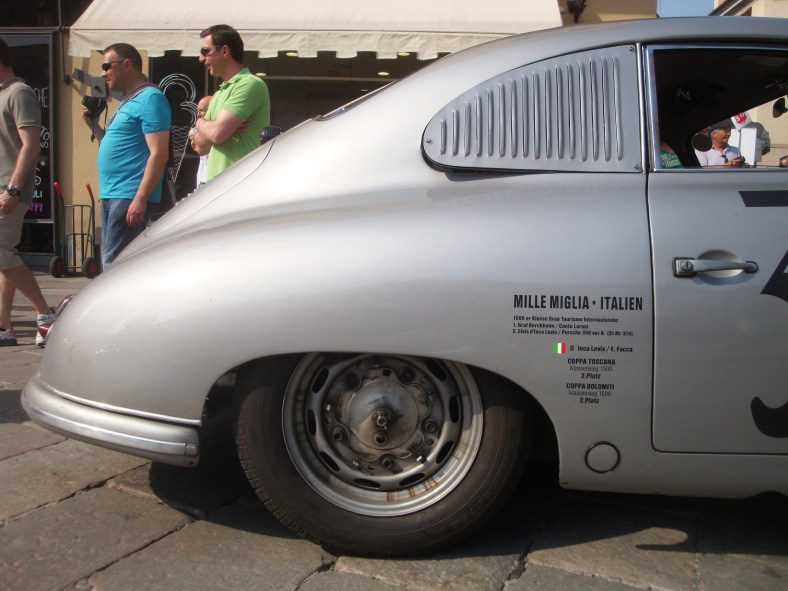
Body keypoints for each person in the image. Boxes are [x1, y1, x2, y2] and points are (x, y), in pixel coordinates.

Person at [81, 43, 171, 270]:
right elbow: (116, 145)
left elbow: (159, 153)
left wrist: (140, 198)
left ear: (127, 65)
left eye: (106, 66)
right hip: (113, 193)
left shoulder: (150, 98)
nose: (102, 73)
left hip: (128, 194)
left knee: (114, 265)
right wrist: (92, 124)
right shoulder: (127, 102)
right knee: (116, 264)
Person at [0, 38, 56, 347]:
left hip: (9, 189)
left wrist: (13, 188)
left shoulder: (19, 93)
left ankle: (45, 314)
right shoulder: (3, 95)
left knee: (1, 252)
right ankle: (4, 327)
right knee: (5, 256)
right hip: (4, 187)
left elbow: (31, 145)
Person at [193, 24, 270, 181]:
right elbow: (200, 147)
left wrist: (204, 125)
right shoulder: (219, 93)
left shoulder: (250, 84)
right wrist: (207, 124)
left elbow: (216, 134)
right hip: (217, 186)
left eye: (205, 51)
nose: (201, 58)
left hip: (241, 185)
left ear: (225, 51)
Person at [189, 95, 212, 188]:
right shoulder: (202, 127)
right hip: (202, 180)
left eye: (201, 110)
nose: (198, 114)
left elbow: (200, 148)